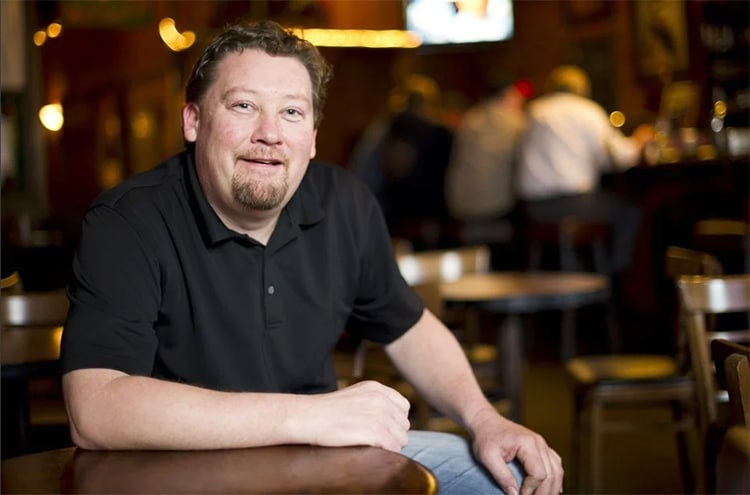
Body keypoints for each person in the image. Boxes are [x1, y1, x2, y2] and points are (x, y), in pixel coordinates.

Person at [60, 20, 563, 495]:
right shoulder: (128, 221)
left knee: (502, 476)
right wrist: (313, 416)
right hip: (183, 470)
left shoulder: (343, 202)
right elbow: (95, 409)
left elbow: (409, 328)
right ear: (193, 120)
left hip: (324, 459)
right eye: (243, 106)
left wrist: (485, 420)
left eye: (292, 113)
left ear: (313, 137)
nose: (269, 134)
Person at [516, 65, 654, 279]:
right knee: (630, 212)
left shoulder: (532, 110)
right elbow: (622, 157)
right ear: (582, 88)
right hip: (573, 203)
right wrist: (639, 139)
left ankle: (584, 272)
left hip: (532, 208)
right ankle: (616, 279)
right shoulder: (586, 111)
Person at [351, 74, 453, 239]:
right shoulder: (401, 129)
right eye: (431, 104)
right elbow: (396, 171)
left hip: (370, 209)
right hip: (376, 211)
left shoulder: (383, 127)